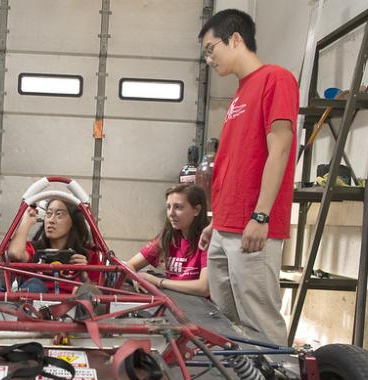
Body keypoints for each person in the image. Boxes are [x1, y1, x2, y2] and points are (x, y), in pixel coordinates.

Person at [197, 9, 298, 345]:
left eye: (211, 49)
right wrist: (216, 221)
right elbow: (234, 164)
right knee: (227, 324)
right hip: (226, 227)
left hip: (252, 228)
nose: (209, 59)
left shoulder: (276, 79)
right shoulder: (238, 96)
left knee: (260, 323)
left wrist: (261, 215)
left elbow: (280, 148)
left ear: (235, 39)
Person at [126, 184, 210, 297]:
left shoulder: (207, 240)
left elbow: (203, 288)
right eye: (168, 207)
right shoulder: (168, 236)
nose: (171, 213)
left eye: (178, 207)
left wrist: (158, 282)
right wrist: (136, 279)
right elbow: (129, 265)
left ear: (197, 210)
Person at [7, 198, 100, 294]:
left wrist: (84, 277)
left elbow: (99, 297)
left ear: (73, 221)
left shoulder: (87, 256)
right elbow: (15, 253)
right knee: (35, 284)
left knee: (85, 290)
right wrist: (26, 220)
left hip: (73, 305)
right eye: (48, 214)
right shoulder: (34, 250)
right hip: (35, 305)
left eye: (59, 214)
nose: (51, 220)